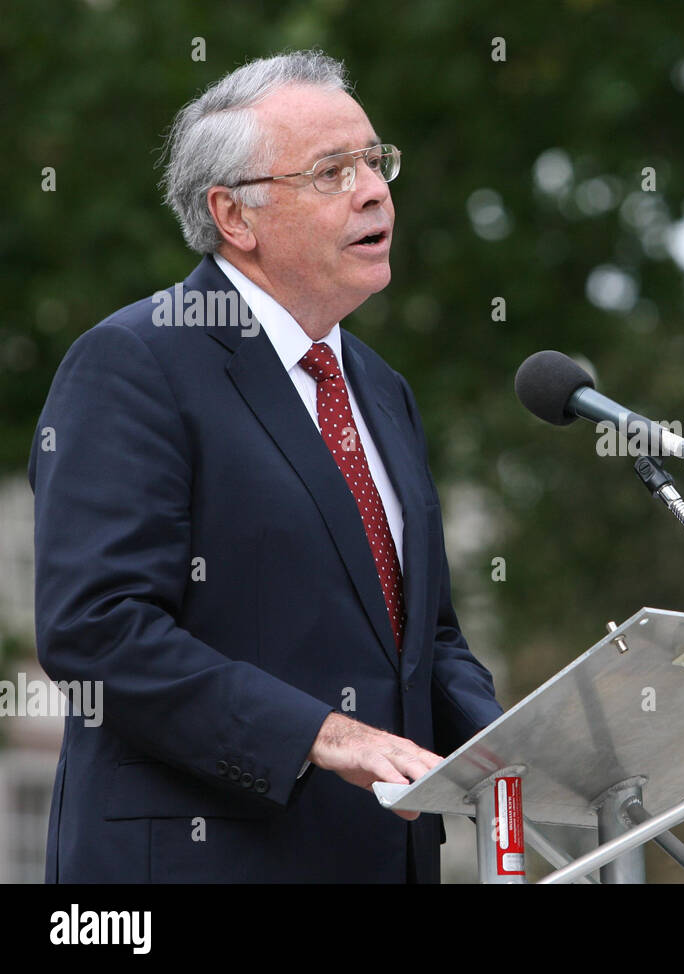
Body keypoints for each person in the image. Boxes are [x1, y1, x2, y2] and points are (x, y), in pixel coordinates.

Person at [28, 51, 504, 882]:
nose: (374, 190)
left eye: (375, 160)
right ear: (234, 216)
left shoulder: (381, 390)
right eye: (331, 172)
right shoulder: (135, 362)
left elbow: (424, 639)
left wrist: (533, 746)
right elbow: (98, 630)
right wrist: (323, 734)